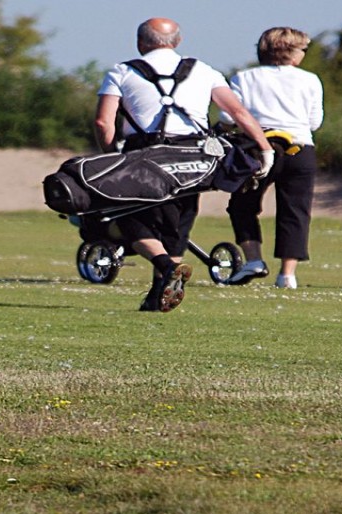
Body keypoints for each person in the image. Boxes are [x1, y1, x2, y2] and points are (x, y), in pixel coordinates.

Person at [95, 17, 273, 311]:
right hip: (194, 155)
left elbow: (103, 122)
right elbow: (238, 111)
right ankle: (157, 295)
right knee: (178, 224)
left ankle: (165, 266)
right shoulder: (203, 71)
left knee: (128, 217)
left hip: (144, 155)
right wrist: (264, 148)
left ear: (140, 42)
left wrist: (112, 154)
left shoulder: (121, 72)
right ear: (177, 42)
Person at [222, 26, 324, 289]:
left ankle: (254, 260)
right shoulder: (310, 79)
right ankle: (287, 275)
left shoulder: (243, 78)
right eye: (302, 49)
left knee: (243, 205)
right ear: (291, 52)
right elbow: (314, 122)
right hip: (299, 149)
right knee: (295, 211)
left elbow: (227, 116)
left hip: (258, 147)